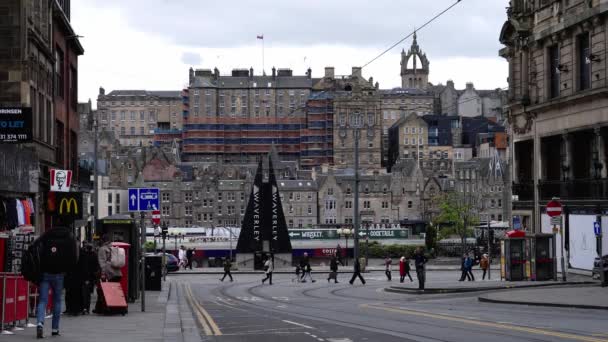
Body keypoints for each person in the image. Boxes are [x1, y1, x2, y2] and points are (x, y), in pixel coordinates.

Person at [32, 223, 78, 338]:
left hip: (45, 273)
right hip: (59, 274)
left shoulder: (46, 236)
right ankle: (55, 329)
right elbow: (74, 256)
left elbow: (35, 248)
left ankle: (39, 323)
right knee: (57, 301)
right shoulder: (69, 237)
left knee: (42, 300)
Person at [80, 243, 100, 314]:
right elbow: (96, 266)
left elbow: (83, 266)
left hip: (86, 277)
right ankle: (86, 308)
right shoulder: (94, 255)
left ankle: (85, 308)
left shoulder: (84, 255)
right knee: (87, 293)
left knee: (85, 293)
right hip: (91, 277)